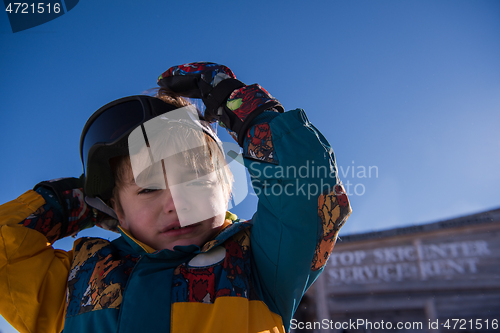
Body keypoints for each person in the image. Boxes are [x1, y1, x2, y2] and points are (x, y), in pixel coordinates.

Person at [0, 62, 351, 333]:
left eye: (196, 181)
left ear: (227, 191)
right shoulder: (78, 280)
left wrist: (244, 108)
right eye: (149, 188)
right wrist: (77, 200)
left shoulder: (259, 262)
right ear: (116, 211)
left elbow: (310, 192)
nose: (176, 203)